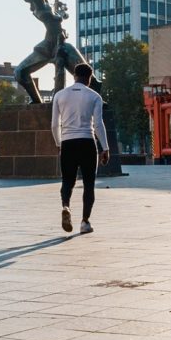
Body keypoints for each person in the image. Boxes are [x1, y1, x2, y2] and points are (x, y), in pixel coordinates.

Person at [51, 63, 110, 234]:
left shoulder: (60, 96)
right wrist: (105, 148)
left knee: (67, 181)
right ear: (89, 78)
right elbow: (98, 125)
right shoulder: (94, 96)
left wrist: (58, 143)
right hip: (87, 142)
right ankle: (85, 222)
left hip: (68, 143)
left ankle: (66, 206)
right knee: (89, 184)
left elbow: (55, 125)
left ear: (74, 76)